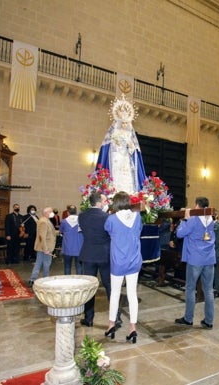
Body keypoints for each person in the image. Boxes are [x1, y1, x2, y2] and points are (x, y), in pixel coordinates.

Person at [104, 192, 143, 343]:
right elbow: (139, 230)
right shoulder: (137, 216)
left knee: (115, 293)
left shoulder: (111, 219)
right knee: (132, 294)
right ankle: (133, 328)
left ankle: (111, 325)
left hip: (118, 261)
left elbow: (107, 230)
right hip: (134, 261)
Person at [78, 193, 121, 328]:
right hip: (104, 255)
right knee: (110, 287)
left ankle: (89, 318)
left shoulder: (82, 216)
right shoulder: (107, 217)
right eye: (104, 200)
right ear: (99, 202)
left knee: (89, 288)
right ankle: (116, 318)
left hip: (88, 254)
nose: (105, 202)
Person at [174, 196, 216, 329]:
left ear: (197, 206)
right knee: (208, 290)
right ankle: (209, 321)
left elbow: (180, 234)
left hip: (195, 259)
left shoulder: (193, 220)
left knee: (190, 289)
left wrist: (184, 219)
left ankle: (188, 318)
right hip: (209, 259)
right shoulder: (211, 220)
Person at [96, 94, 147, 194]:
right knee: (117, 176)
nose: (124, 125)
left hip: (126, 158)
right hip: (117, 157)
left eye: (126, 123)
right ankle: (115, 193)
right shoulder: (115, 132)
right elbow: (111, 147)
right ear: (119, 122)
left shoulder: (129, 134)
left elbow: (133, 149)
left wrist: (131, 146)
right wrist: (117, 143)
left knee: (127, 177)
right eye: (123, 122)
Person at [28, 207, 56, 285]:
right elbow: (42, 236)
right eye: (51, 211)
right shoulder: (43, 221)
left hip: (45, 246)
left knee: (39, 263)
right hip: (44, 247)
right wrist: (45, 249)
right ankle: (44, 279)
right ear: (46, 213)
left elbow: (49, 233)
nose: (52, 213)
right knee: (45, 263)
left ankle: (33, 279)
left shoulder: (46, 220)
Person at [59, 205, 83, 275]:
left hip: (67, 248)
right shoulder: (81, 220)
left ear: (68, 212)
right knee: (79, 266)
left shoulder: (64, 221)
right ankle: (79, 283)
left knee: (67, 266)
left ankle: (67, 282)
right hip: (79, 247)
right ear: (76, 211)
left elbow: (61, 231)